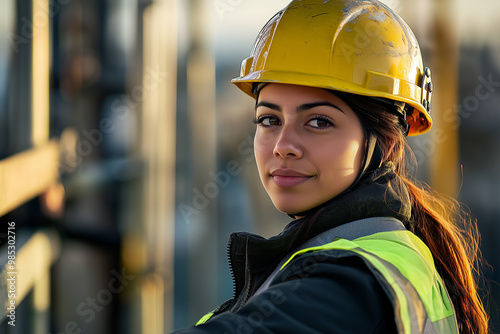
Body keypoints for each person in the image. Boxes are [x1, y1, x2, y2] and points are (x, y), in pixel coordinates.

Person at [173, 0, 489, 333]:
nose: (283, 147)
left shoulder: (352, 280)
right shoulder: (371, 251)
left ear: (384, 141)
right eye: (269, 119)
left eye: (319, 122)